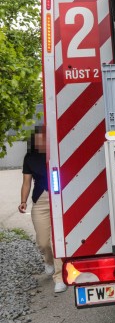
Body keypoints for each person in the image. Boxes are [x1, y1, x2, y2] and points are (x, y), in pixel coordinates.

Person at [19, 125, 67, 293]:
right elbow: (26, 183)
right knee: (43, 242)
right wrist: (23, 201)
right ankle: (48, 262)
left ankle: (60, 278)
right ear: (34, 140)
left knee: (56, 242)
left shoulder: (58, 152)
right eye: (39, 138)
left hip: (60, 199)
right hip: (40, 200)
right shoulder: (29, 157)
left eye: (45, 138)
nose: (42, 141)